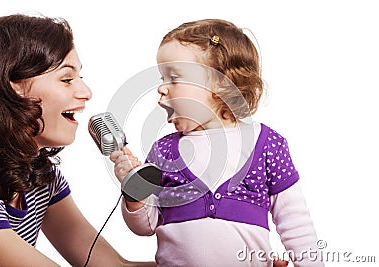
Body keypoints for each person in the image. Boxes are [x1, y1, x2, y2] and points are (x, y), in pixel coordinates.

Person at [111, 19, 323, 266]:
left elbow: (296, 224)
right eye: (161, 78)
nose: (161, 89)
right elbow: (147, 225)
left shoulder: (267, 144)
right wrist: (135, 193)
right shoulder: (164, 151)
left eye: (174, 77)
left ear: (221, 84)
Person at [0, 14, 156, 267]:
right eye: (66, 79)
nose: (86, 92)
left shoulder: (41, 177)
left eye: (79, 77)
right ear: (14, 86)